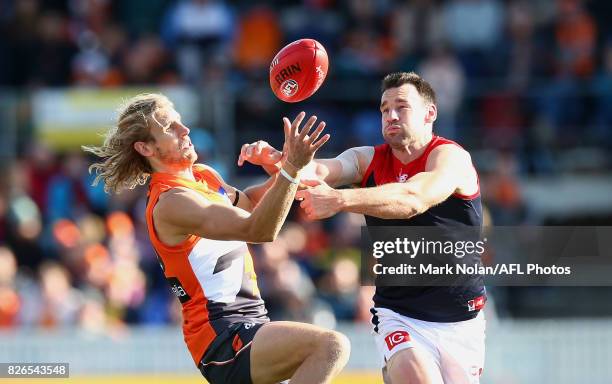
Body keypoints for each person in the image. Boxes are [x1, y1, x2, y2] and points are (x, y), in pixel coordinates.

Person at [83, 93, 350, 384]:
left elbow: (251, 205)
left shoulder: (203, 176)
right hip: (222, 336)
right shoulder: (171, 202)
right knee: (330, 346)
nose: (185, 130)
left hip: (250, 323)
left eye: (181, 122)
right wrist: (291, 169)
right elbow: (259, 230)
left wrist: (278, 167)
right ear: (145, 147)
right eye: (170, 127)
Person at [239, 72, 486, 384]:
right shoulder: (367, 158)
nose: (390, 115)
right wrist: (282, 162)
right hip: (400, 315)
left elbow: (413, 198)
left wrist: (341, 200)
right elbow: (319, 171)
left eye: (401, 107)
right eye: (384, 109)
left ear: (430, 113)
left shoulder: (450, 157)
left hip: (462, 319)